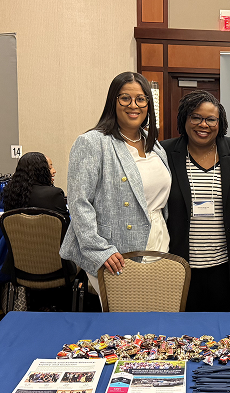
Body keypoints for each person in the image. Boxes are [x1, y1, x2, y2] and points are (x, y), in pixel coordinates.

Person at [60, 71, 171, 297]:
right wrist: (99, 251)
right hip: (114, 251)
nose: (134, 105)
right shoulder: (93, 143)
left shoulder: (155, 145)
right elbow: (79, 202)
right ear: (113, 101)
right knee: (124, 320)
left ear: (148, 104)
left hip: (158, 240)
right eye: (125, 98)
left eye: (141, 99)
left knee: (153, 315)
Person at [162, 91, 230, 311]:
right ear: (184, 119)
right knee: (184, 333)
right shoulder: (165, 151)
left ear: (220, 123)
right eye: (196, 117)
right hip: (181, 264)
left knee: (226, 332)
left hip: (225, 265)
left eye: (211, 119)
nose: (204, 124)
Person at [2, 152, 68, 216]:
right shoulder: (55, 194)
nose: (54, 171)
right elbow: (65, 223)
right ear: (40, 171)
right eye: (49, 168)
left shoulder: (11, 193)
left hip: (19, 227)